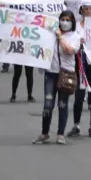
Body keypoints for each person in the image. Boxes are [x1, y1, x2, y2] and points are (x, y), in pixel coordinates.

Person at [33, 10, 81, 145]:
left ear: (72, 22)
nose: (64, 22)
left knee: (62, 105)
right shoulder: (51, 34)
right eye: (62, 19)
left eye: (67, 20)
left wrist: (60, 37)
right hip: (51, 73)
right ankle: (44, 133)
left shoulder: (75, 36)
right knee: (48, 105)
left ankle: (60, 134)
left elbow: (70, 50)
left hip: (66, 73)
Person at [68, 0, 91, 138]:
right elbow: (70, 42)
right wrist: (78, 41)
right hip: (80, 65)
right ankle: (76, 125)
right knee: (79, 96)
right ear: (81, 10)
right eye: (86, 9)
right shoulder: (76, 26)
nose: (88, 11)